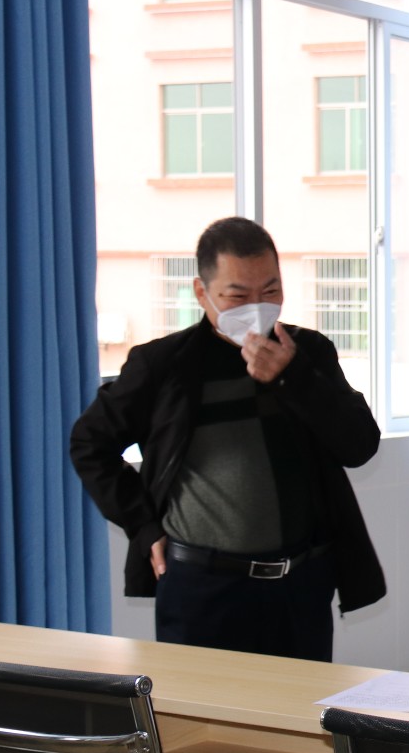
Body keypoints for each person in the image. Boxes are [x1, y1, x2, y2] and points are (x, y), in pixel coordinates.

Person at [70, 217, 385, 661]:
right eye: (237, 296)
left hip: (301, 582)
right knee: (204, 704)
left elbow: (359, 445)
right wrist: (142, 526)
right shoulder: (163, 364)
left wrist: (292, 377)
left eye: (270, 291)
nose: (256, 307)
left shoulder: (308, 352)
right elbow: (90, 443)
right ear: (202, 293)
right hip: (202, 585)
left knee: (301, 703)